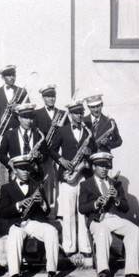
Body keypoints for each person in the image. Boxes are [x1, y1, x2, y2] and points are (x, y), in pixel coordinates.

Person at [0, 155, 64, 277]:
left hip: (34, 223)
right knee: (14, 237)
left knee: (52, 231)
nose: (25, 172)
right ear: (15, 170)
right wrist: (19, 205)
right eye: (21, 169)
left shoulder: (36, 185)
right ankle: (14, 276)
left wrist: (42, 202)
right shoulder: (6, 188)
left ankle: (52, 273)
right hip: (17, 223)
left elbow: (46, 212)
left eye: (27, 169)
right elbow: (3, 212)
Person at [79, 152, 139, 277]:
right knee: (102, 231)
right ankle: (103, 273)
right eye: (100, 166)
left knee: (134, 230)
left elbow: (125, 208)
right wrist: (96, 203)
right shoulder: (85, 184)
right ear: (93, 167)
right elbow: (82, 208)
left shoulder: (116, 184)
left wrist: (117, 199)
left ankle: (132, 274)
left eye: (107, 166)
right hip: (96, 219)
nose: (104, 169)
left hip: (113, 218)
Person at [49, 100, 96, 261]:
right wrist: (61, 160)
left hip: (82, 175)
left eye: (81, 113)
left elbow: (94, 153)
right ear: (70, 114)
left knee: (82, 211)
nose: (80, 116)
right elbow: (52, 150)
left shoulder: (88, 132)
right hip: (67, 175)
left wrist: (89, 154)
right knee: (68, 213)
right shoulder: (62, 131)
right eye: (76, 113)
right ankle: (69, 247)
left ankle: (85, 247)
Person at [33, 84, 67, 212]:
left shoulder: (62, 113)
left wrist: (59, 127)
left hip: (59, 152)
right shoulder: (37, 113)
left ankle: (59, 211)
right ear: (43, 98)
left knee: (59, 180)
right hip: (44, 152)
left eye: (53, 96)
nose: (51, 99)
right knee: (45, 180)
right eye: (48, 96)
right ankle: (45, 208)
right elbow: (35, 133)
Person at [0, 103, 47, 184]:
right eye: (25, 117)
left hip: (35, 175)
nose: (28, 121)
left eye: (31, 118)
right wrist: (10, 163)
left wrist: (39, 156)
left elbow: (46, 154)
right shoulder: (9, 134)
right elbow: (1, 154)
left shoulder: (38, 134)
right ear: (19, 118)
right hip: (16, 174)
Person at [0, 65, 28, 138]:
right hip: (1, 131)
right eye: (9, 75)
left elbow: (28, 110)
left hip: (18, 129)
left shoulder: (22, 91)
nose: (12, 78)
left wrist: (18, 108)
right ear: (3, 77)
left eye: (13, 75)